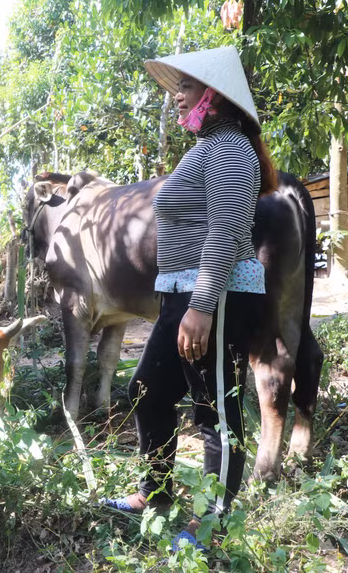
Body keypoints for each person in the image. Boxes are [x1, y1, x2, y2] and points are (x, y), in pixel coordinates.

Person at [101, 47, 277, 549]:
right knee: (147, 390)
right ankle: (154, 495)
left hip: (216, 296)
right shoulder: (206, 148)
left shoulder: (231, 149)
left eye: (187, 86)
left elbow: (227, 228)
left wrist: (202, 306)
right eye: (177, 87)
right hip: (183, 293)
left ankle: (214, 522)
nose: (177, 96)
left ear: (214, 95)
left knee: (214, 410)